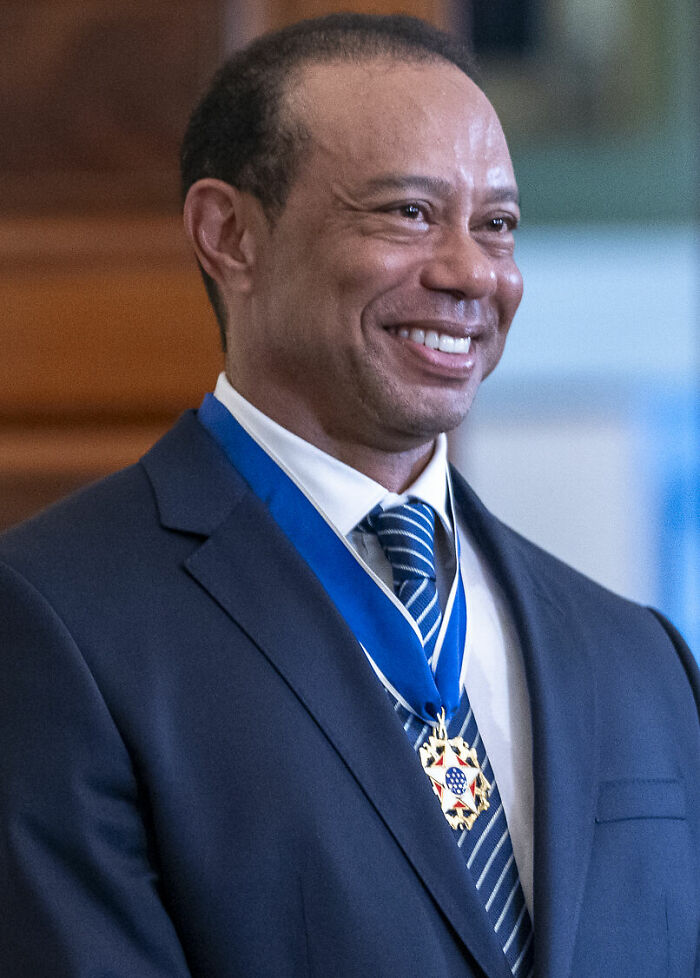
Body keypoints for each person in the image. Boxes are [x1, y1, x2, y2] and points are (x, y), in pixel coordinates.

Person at [0, 13, 697, 978]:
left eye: (495, 225)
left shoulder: (641, 660)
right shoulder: (53, 626)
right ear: (230, 235)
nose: (469, 272)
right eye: (408, 212)